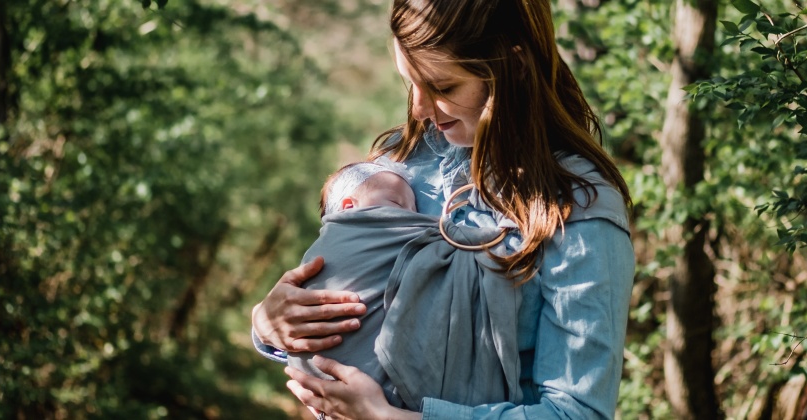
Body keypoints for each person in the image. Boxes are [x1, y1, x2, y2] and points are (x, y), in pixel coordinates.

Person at [251, 0, 636, 418]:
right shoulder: (400, 165)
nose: (418, 109)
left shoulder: (577, 206)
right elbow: (349, 293)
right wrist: (268, 325)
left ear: (515, 66)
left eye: (443, 87)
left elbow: (577, 411)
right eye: (410, 82)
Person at [272, 159, 521, 411]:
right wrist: (263, 328)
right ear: (349, 207)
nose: (412, 216)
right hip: (334, 378)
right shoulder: (340, 239)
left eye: (414, 209)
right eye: (396, 204)